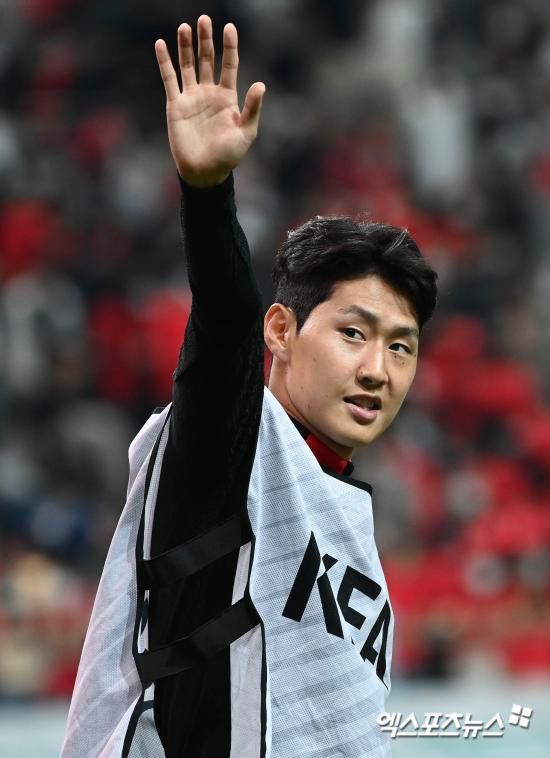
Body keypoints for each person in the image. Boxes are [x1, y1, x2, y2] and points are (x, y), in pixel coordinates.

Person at [61, 15, 438, 758]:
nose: (378, 369)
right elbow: (224, 324)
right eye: (354, 333)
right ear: (281, 332)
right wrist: (208, 193)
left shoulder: (348, 522)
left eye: (401, 346)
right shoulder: (232, 446)